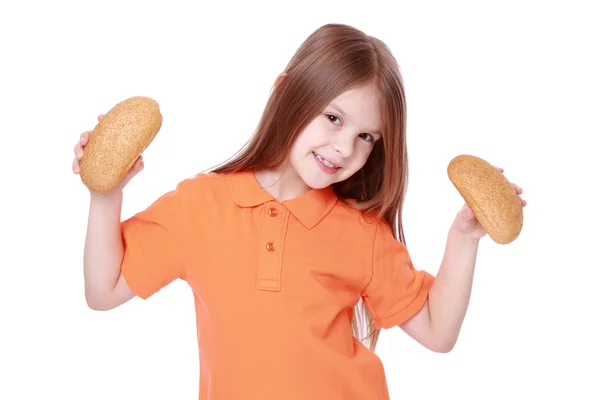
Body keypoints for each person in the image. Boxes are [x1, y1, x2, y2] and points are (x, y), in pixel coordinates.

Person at [72, 23, 526, 400]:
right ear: (286, 93)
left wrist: (464, 238)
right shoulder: (200, 206)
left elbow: (436, 332)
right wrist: (105, 196)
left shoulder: (361, 233)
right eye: (333, 118)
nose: (345, 147)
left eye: (368, 136)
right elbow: (103, 290)